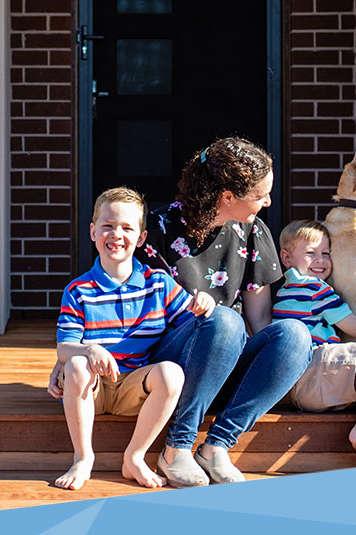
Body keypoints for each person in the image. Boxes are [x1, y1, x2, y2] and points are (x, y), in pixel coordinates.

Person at [137, 137, 311, 486]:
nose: (268, 202)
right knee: (225, 319)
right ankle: (177, 447)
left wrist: (279, 368)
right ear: (228, 197)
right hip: (171, 365)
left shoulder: (253, 232)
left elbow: (260, 321)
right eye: (260, 195)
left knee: (294, 334)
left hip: (226, 360)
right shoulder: (155, 231)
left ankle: (216, 446)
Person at [48, 187, 191, 490]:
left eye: (127, 228)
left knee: (171, 373)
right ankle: (83, 457)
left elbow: (193, 325)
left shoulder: (159, 284)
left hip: (134, 389)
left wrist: (204, 302)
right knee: (75, 364)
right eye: (108, 226)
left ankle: (135, 456)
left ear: (141, 238)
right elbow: (64, 345)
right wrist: (89, 350)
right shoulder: (79, 290)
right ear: (93, 231)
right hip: (92, 389)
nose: (116, 234)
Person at [272, 220, 356, 465]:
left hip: (311, 384)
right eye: (311, 253)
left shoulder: (289, 287)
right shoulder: (313, 288)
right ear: (287, 258)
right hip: (307, 378)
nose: (320, 260)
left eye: (326, 253)